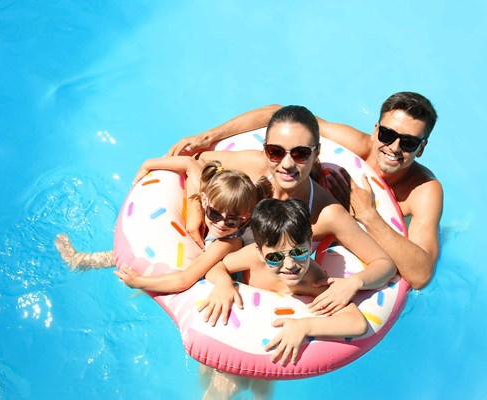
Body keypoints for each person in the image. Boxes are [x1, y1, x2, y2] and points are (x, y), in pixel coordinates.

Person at [168, 92, 441, 290]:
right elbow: (279, 115)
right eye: (387, 135)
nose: (393, 147)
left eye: (408, 142)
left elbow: (419, 275)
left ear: (422, 146)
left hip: (337, 232)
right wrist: (210, 136)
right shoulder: (350, 146)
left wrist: (368, 214)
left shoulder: (423, 190)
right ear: (376, 130)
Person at [187, 105, 396, 319]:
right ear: (266, 149)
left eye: (301, 153)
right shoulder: (255, 167)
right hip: (223, 270)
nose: (287, 164)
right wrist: (194, 210)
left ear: (316, 153)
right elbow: (199, 161)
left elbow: (385, 264)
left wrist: (353, 283)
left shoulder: (326, 212)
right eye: (276, 152)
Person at [199, 198, 368, 399]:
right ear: (261, 253)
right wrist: (223, 283)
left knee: (262, 391)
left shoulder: (313, 280)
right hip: (239, 331)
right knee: (218, 384)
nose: (290, 264)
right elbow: (215, 266)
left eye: (299, 252)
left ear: (309, 242)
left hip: (269, 346)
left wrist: (304, 326)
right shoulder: (252, 258)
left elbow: (357, 323)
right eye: (275, 258)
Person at [55, 157, 271, 293]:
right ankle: (81, 260)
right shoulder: (204, 197)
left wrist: (140, 283)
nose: (222, 223)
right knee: (138, 249)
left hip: (217, 266)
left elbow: (186, 279)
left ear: (246, 217)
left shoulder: (229, 241)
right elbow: (191, 165)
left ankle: (83, 261)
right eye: (214, 214)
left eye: (232, 220)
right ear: (205, 201)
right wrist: (148, 164)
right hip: (191, 239)